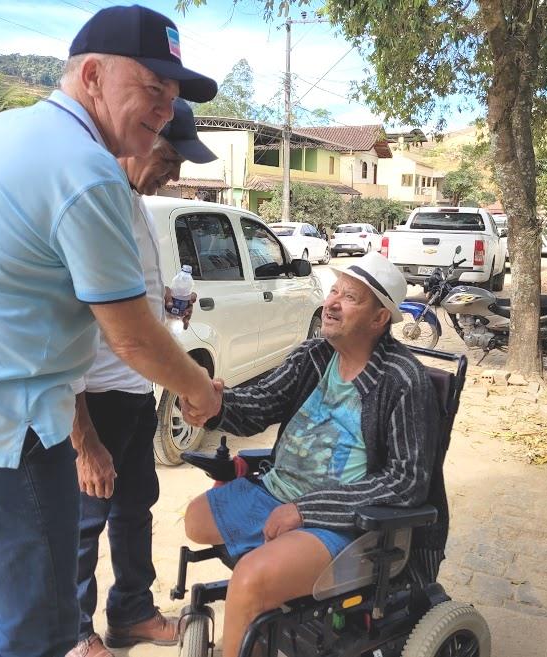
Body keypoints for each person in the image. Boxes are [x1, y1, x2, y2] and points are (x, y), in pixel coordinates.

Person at [0, 6, 219, 657]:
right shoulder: (86, 167)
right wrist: (200, 388)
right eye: (153, 88)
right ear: (91, 75)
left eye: (173, 95)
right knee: (38, 628)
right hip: (5, 435)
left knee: (19, 604)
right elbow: (130, 336)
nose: (163, 110)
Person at [182, 253, 442, 657]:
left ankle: (259, 594)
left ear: (379, 319)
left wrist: (306, 510)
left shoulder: (403, 382)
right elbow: (262, 402)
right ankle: (273, 581)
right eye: (333, 291)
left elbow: (405, 482)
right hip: (277, 492)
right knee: (196, 520)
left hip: (345, 522)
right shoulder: (314, 355)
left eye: (350, 297)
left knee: (249, 579)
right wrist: (216, 406)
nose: (332, 303)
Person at [68, 99, 217, 657]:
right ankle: (74, 633)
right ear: (142, 137)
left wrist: (167, 307)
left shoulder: (134, 204)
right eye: (171, 157)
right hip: (95, 393)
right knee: (85, 520)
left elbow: (131, 310)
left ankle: (131, 612)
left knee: (135, 506)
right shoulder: (96, 197)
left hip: (132, 391)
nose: (175, 175)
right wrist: (83, 440)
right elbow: (64, 328)